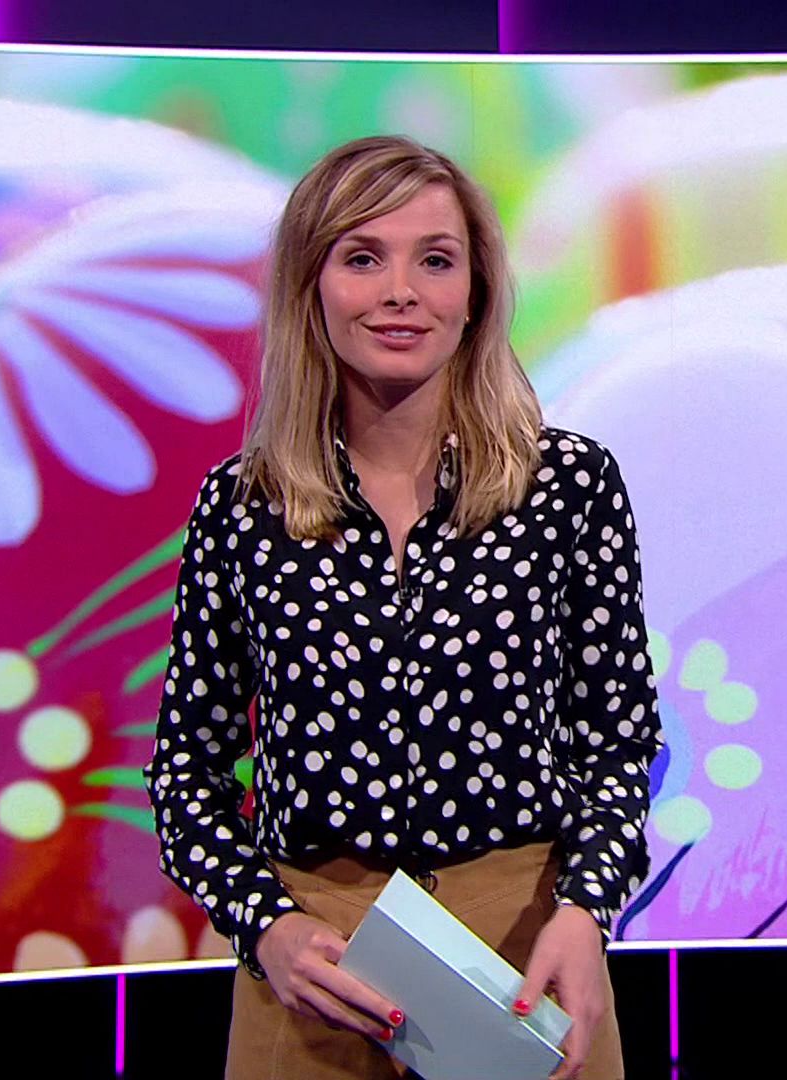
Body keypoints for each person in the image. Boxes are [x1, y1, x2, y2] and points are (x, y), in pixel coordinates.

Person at [143, 134, 663, 1080]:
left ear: (476, 291)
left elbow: (619, 745)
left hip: (525, 949)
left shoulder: (569, 486)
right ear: (310, 286)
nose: (400, 292)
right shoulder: (243, 506)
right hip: (318, 965)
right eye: (362, 258)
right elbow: (186, 772)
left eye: (435, 260)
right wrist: (267, 928)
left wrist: (586, 913)